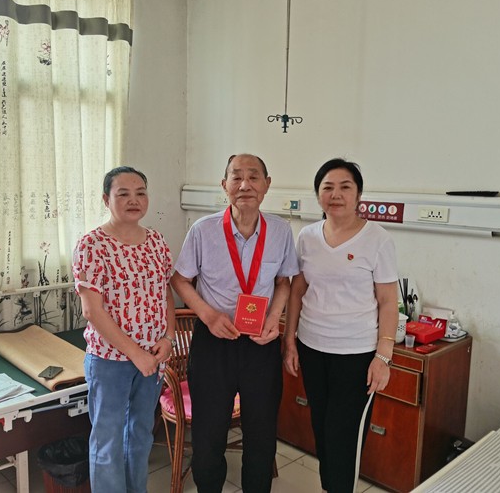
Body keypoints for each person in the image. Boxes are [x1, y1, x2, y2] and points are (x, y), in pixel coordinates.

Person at [171, 153, 299, 493]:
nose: (245, 185)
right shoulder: (203, 230)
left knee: (261, 432)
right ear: (224, 185)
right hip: (214, 343)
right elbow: (180, 280)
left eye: (254, 177)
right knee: (208, 434)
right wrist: (208, 315)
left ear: (267, 185)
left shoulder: (281, 231)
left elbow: (284, 282)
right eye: (236, 177)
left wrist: (274, 318)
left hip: (260, 343)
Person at [282, 158, 399, 493]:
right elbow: (297, 291)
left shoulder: (377, 240)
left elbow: (388, 301)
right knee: (321, 428)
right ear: (318, 194)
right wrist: (289, 341)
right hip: (312, 348)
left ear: (358, 194)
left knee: (343, 436)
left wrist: (383, 357)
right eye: (328, 187)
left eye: (345, 187)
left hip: (356, 354)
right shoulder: (307, 237)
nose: (336, 194)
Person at [72, 166, 175, 493]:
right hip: (110, 360)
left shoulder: (156, 241)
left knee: (141, 434)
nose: (134, 200)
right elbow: (92, 310)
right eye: (124, 194)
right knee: (108, 440)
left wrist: (168, 338)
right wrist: (136, 355)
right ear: (106, 199)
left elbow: (165, 292)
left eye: (140, 193)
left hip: (153, 358)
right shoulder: (92, 245)